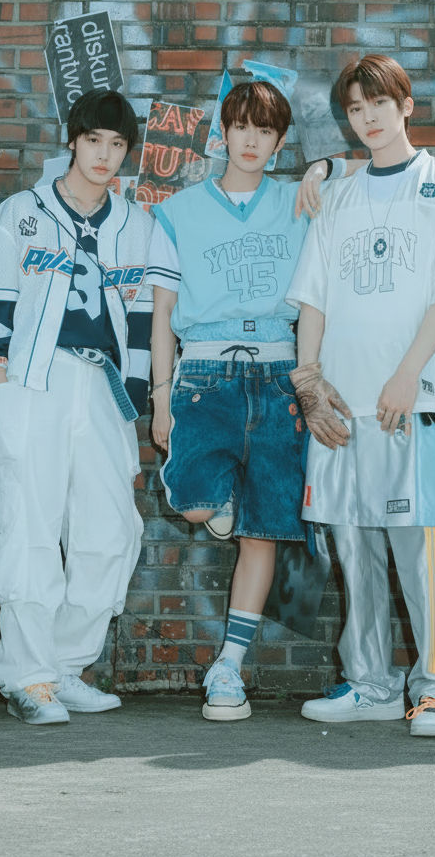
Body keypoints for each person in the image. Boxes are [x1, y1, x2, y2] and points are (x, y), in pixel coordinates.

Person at [287, 54, 435, 738]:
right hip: (342, 406)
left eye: (379, 103)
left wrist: (408, 374)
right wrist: (309, 384)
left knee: (419, 552)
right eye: (355, 108)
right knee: (355, 554)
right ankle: (370, 684)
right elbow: (313, 298)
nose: (367, 118)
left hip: (410, 400)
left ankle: (432, 691)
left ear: (406, 105)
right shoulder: (337, 193)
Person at [148, 79, 348, 721]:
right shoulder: (178, 211)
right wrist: (159, 395)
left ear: (280, 141)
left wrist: (324, 166)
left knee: (262, 533)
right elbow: (162, 314)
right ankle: (225, 499)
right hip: (205, 374)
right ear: (224, 133)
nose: (252, 140)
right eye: (242, 127)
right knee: (194, 504)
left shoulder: (297, 200)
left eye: (266, 131)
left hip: (279, 373)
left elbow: (376, 167)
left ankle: (228, 668)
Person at [0, 89, 153, 725]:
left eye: (117, 144)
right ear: (73, 140)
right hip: (33, 382)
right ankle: (28, 677)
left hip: (101, 387)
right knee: (29, 525)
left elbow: (141, 320)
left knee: (112, 532)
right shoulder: (22, 212)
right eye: (94, 140)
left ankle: (66, 665)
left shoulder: (136, 224)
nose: (104, 154)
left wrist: (134, 403)